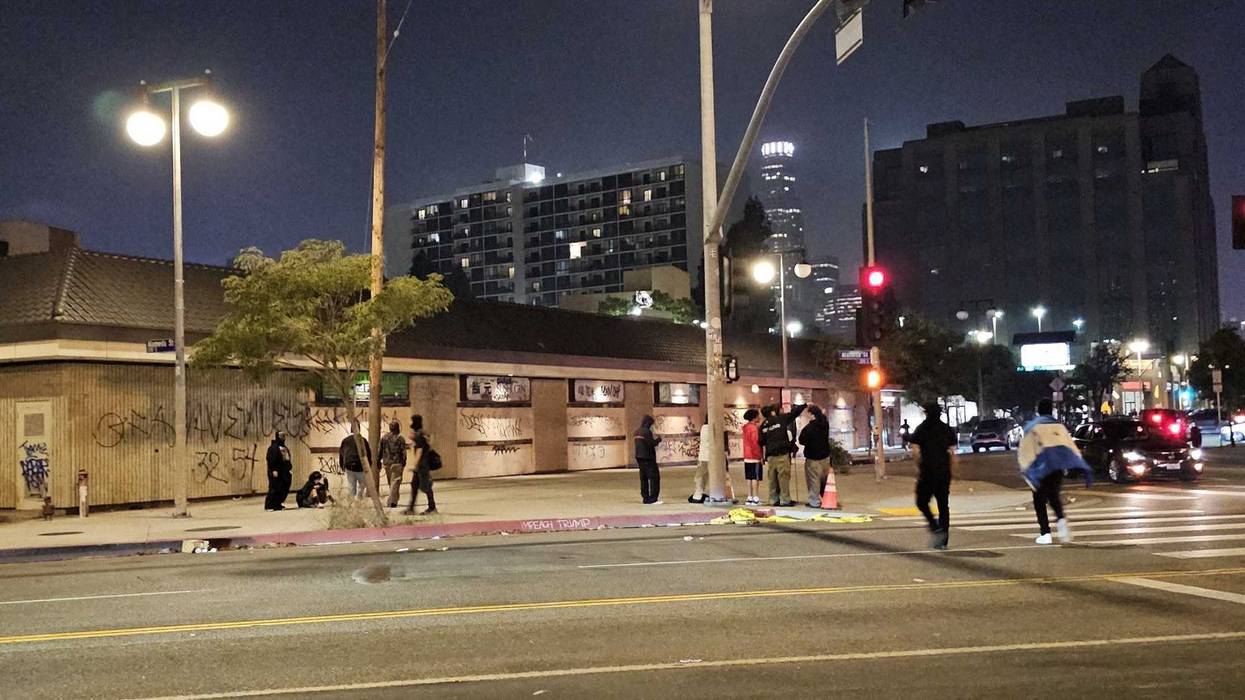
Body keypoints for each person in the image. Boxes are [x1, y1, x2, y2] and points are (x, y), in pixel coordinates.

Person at [1018, 398, 1092, 545]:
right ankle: (1062, 523)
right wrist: (1077, 465)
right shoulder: (1059, 426)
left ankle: (1045, 533)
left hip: (1040, 469)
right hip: (1056, 468)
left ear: (1038, 410)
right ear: (1051, 410)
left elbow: (1025, 451)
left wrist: (1026, 469)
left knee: (1039, 501)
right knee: (1054, 497)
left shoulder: (1032, 427)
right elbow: (1070, 447)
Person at [909, 402, 958, 550]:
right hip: (943, 472)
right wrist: (953, 470)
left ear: (926, 413)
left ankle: (934, 526)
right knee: (943, 505)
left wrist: (919, 467)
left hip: (928, 471)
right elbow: (952, 453)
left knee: (921, 502)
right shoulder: (946, 429)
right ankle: (944, 539)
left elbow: (916, 451)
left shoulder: (921, 429)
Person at [760, 402, 806, 507]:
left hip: (770, 456)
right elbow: (794, 414)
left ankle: (773, 499)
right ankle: (785, 500)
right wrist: (804, 405)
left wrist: (763, 457)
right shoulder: (780, 419)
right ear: (773, 412)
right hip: (782, 455)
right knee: (783, 478)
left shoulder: (763, 425)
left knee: (772, 479)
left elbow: (761, 442)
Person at [799, 405, 833, 508]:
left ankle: (814, 501)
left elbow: (802, 440)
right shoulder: (825, 424)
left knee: (813, 480)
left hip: (813, 458)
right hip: (825, 456)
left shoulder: (809, 428)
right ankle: (828, 499)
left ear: (810, 414)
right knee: (824, 480)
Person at [404, 415, 437, 515]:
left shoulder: (418, 435)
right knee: (414, 485)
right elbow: (429, 441)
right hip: (422, 464)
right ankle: (411, 508)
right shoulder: (421, 434)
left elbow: (420, 450)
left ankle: (432, 508)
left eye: (411, 421)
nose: (409, 423)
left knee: (426, 486)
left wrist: (415, 464)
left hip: (422, 465)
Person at [379, 421, 409, 508]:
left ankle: (394, 500)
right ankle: (391, 501)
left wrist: (378, 461)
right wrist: (404, 462)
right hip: (397, 463)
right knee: (395, 482)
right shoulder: (400, 438)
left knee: (391, 483)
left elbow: (380, 450)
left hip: (387, 463)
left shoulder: (384, 438)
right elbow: (403, 452)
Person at [634, 415, 662, 505]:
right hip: (648, 458)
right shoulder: (647, 432)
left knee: (643, 478)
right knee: (654, 478)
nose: (651, 426)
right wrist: (658, 440)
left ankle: (645, 498)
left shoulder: (636, 432)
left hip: (639, 457)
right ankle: (653, 498)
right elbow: (651, 444)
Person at [338, 421, 371, 500]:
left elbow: (341, 454)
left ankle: (352, 501)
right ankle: (358, 499)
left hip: (349, 465)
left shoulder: (345, 440)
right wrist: (369, 466)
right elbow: (368, 454)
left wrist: (342, 465)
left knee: (351, 485)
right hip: (360, 465)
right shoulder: (363, 440)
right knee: (362, 484)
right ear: (359, 429)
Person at [264, 430, 293, 511]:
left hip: (285, 471)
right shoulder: (273, 447)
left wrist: (289, 468)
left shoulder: (284, 447)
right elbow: (271, 459)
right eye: (282, 436)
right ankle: (269, 505)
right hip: (277, 471)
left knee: (283, 487)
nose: (283, 438)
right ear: (278, 437)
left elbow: (287, 459)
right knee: (274, 487)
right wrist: (274, 469)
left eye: (284, 436)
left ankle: (277, 504)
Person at [742, 409, 764, 505]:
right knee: (755, 477)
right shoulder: (754, 428)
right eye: (758, 416)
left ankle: (749, 497)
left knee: (749, 477)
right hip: (754, 456)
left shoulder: (745, 428)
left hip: (746, 456)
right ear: (754, 417)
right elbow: (755, 443)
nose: (759, 417)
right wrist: (760, 456)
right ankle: (756, 497)